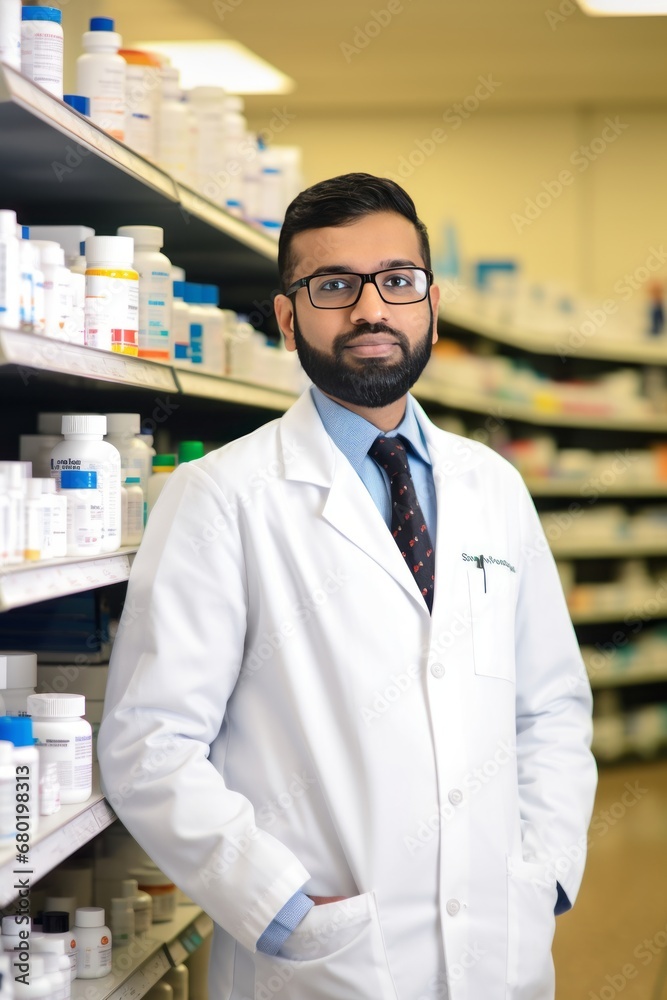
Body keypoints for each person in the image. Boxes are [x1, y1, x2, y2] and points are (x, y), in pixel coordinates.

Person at [98, 172, 597, 1000]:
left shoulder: (493, 486)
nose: (371, 309)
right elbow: (150, 746)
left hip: (500, 956)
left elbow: (549, 707)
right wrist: (280, 906)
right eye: (334, 286)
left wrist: (539, 871)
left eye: (396, 281)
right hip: (326, 966)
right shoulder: (222, 497)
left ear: (430, 302)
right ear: (288, 319)